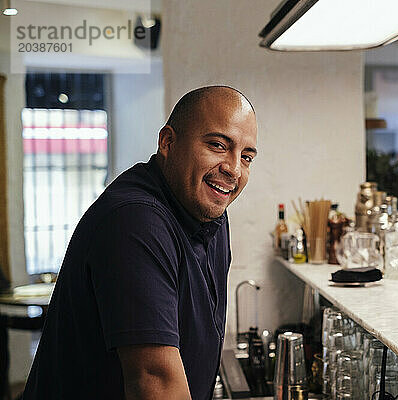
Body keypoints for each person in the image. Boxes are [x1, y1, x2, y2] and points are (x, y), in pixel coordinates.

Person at [22, 86, 258, 400]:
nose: (233, 168)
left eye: (246, 157)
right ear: (168, 142)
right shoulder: (135, 221)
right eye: (217, 145)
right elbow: (155, 383)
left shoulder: (208, 211)